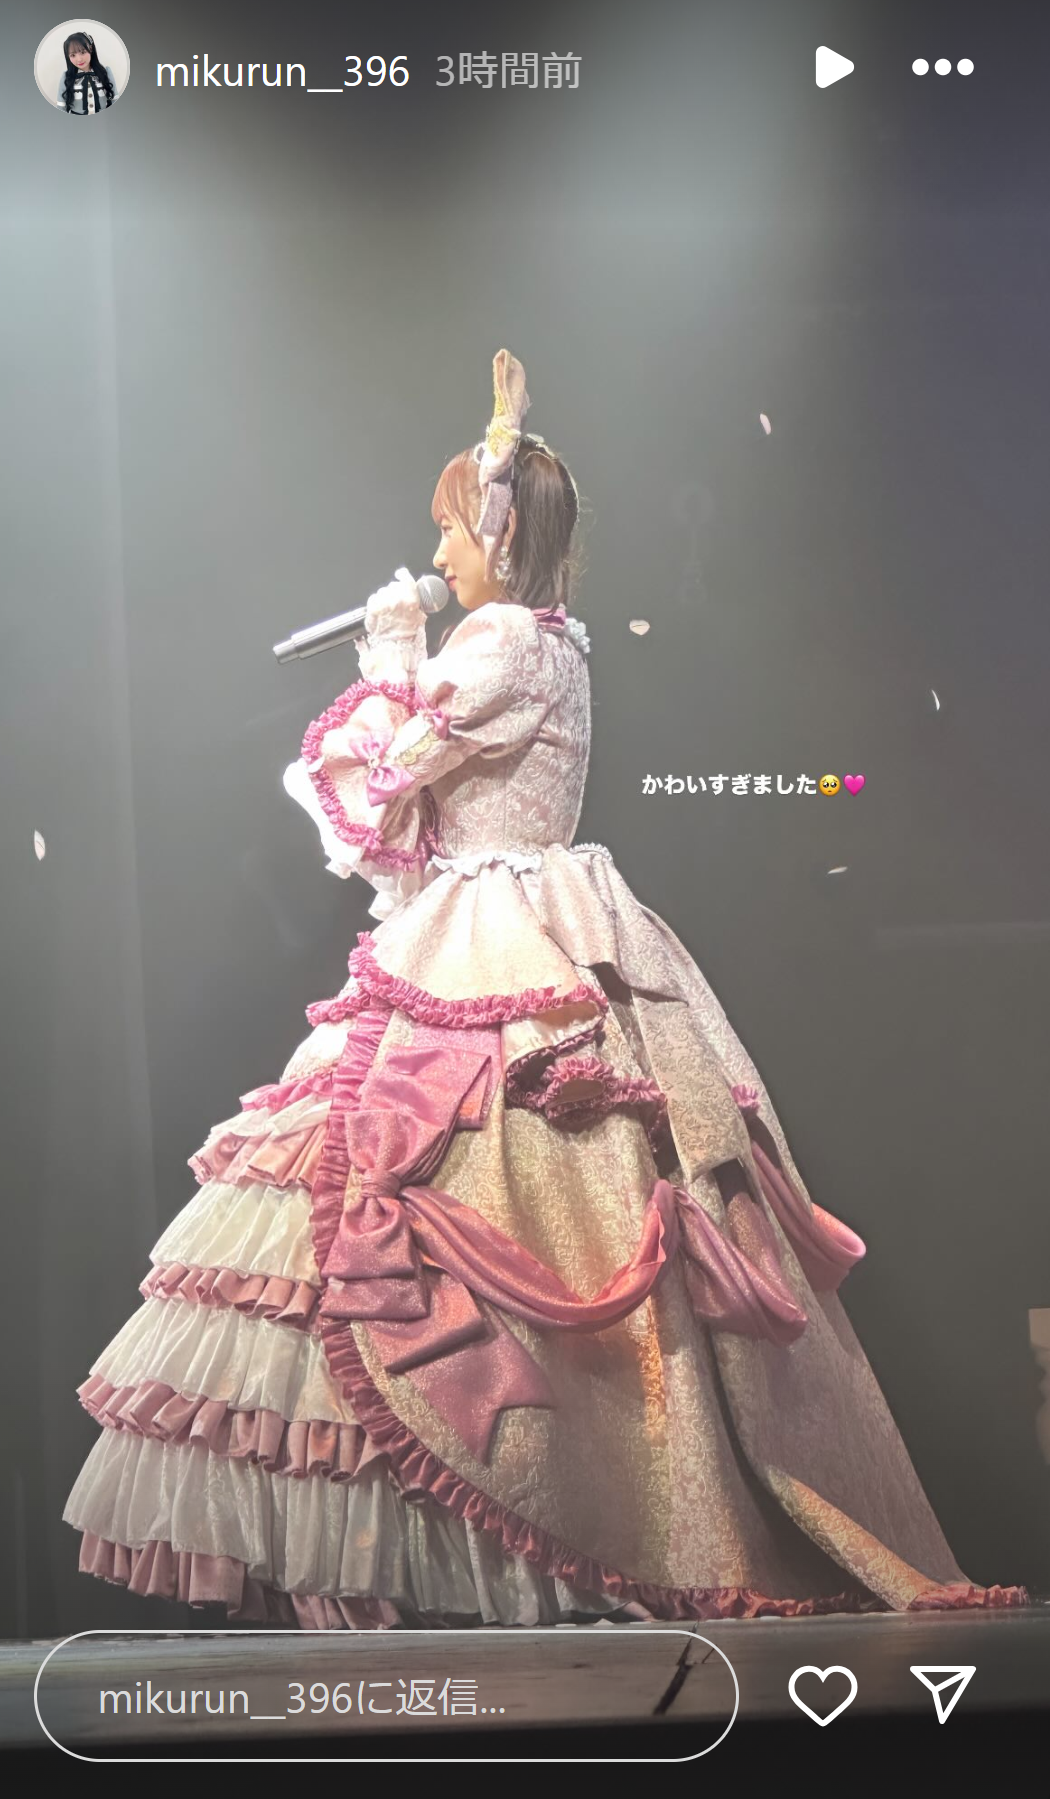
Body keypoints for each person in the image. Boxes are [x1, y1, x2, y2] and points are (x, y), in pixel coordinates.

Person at [64, 350, 1025, 1627]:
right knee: (469, 1188)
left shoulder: (506, 636)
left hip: (502, 932)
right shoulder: (551, 641)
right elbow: (411, 830)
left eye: (452, 530)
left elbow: (386, 786)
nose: (437, 553)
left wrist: (393, 652)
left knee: (455, 1186)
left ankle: (545, 1518)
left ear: (499, 536)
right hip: (513, 914)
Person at [59, 32, 117, 115]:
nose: (79, 59)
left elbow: (115, 100)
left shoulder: (106, 72)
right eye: (73, 55)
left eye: (83, 52)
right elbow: (61, 107)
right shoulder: (66, 77)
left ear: (91, 49)